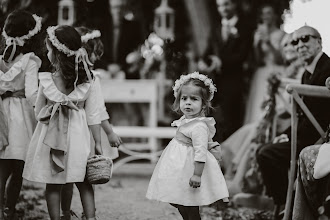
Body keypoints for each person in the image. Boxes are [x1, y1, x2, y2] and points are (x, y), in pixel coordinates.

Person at [22, 25, 102, 220]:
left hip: (52, 137)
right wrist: (98, 142)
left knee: (53, 183)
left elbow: (39, 110)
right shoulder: (88, 80)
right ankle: (91, 218)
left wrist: (51, 111)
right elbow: (93, 115)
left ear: (57, 53)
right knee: (83, 181)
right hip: (78, 138)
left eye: (49, 49)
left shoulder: (47, 80)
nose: (47, 53)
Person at [256, 25, 330, 217]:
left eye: (306, 38)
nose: (300, 45)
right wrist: (285, 135)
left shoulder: (327, 68)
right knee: (264, 148)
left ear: (319, 42)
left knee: (267, 153)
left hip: (320, 136)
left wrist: (292, 137)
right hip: (307, 131)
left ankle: (286, 205)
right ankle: (283, 203)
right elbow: (304, 115)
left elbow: (317, 116)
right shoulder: (308, 73)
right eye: (296, 41)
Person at [221, 33, 303, 197]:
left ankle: (237, 181)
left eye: (291, 44)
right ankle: (231, 176)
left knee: (255, 133)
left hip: (289, 122)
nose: (287, 48)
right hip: (279, 120)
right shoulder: (287, 71)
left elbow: (297, 104)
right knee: (248, 131)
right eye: (284, 45)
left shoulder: (302, 72)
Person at [146, 72, 229, 220]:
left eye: (194, 99)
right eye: (184, 98)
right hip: (180, 168)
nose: (188, 102)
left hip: (191, 168)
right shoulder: (186, 120)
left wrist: (197, 174)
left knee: (188, 202)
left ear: (203, 104)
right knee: (176, 197)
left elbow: (200, 152)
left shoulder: (199, 126)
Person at [59, 27, 122, 220]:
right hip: (85, 133)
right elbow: (98, 111)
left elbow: (97, 110)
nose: (96, 58)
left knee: (73, 176)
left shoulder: (66, 76)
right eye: (95, 53)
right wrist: (108, 133)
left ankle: (69, 213)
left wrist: (107, 132)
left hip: (77, 131)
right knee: (84, 176)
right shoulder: (90, 78)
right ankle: (82, 213)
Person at [0, 10, 42, 219]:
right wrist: (44, 111)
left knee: (2, 166)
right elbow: (33, 94)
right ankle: (9, 210)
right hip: (20, 119)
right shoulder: (30, 61)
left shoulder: (0, 59)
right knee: (17, 169)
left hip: (1, 113)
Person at [198, 0, 253, 141]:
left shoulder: (245, 27)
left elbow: (243, 55)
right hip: (214, 82)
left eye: (226, 4)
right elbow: (208, 51)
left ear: (235, 4)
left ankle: (229, 156)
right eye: (220, 5)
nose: (223, 8)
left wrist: (221, 61)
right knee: (212, 121)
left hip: (234, 82)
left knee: (232, 121)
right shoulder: (216, 27)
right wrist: (203, 61)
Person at [244, 4, 285, 124]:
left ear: (275, 16)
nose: (265, 16)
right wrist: (257, 45)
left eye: (269, 13)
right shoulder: (258, 33)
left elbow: (280, 60)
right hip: (262, 73)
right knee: (258, 105)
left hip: (278, 71)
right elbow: (258, 61)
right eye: (263, 13)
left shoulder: (281, 34)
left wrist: (268, 42)